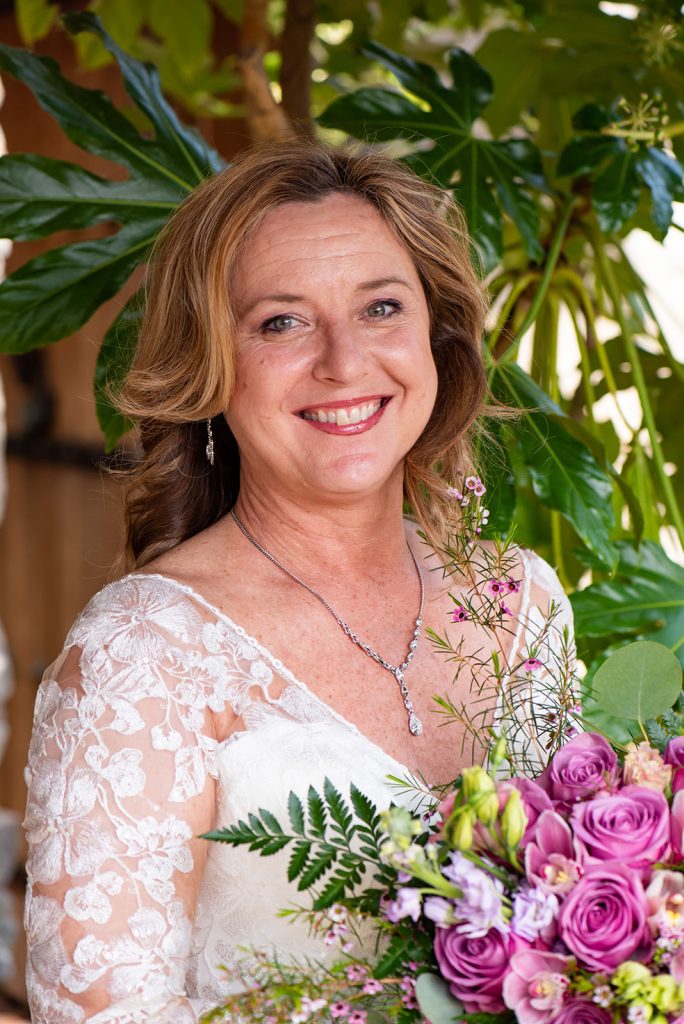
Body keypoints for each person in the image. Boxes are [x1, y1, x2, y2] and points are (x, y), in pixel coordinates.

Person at [23, 141, 573, 1022]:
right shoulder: (144, 654)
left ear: (435, 337)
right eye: (282, 322)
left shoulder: (520, 602)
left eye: (381, 308)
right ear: (212, 367)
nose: (345, 363)